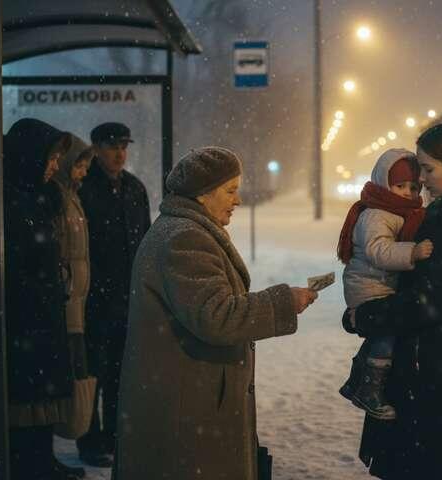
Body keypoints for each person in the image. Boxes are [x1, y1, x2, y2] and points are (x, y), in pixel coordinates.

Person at [114, 146, 318, 479]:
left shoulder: (183, 230)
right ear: (203, 194)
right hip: (188, 407)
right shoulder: (185, 239)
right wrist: (282, 302)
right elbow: (216, 316)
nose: (237, 200)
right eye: (230, 190)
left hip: (189, 396)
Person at [344, 121, 442, 479]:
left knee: (421, 469)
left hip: (434, 377)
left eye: (428, 169)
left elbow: (433, 303)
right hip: (418, 369)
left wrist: (367, 317)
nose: (422, 179)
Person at [336, 148, 433, 420]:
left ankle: (356, 380)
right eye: (399, 185)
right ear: (383, 182)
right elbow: (378, 250)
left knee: (382, 334)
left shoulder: (399, 211)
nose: (407, 192)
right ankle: (369, 390)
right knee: (385, 337)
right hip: (368, 287)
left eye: (414, 187)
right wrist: (411, 252)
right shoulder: (377, 215)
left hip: (378, 285)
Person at [3, 118, 74, 480]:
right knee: (24, 404)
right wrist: (28, 286)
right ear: (29, 156)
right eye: (50, 158)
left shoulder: (38, 195)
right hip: (19, 324)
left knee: (41, 401)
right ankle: (30, 467)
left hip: (42, 318)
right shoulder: (2, 198)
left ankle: (41, 463)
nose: (55, 165)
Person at [77, 122, 150, 467]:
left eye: (123, 145)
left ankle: (114, 437)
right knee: (94, 372)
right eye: (111, 146)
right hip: (92, 298)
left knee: (120, 373)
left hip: (126, 297)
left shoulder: (134, 188)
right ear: (95, 148)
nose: (120, 152)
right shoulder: (82, 187)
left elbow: (145, 242)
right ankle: (90, 441)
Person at [50, 135, 96, 479]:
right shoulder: (57, 198)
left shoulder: (71, 197)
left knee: (74, 378)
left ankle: (56, 447)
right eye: (79, 165)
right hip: (64, 307)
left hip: (75, 306)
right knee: (63, 380)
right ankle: (52, 447)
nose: (82, 172)